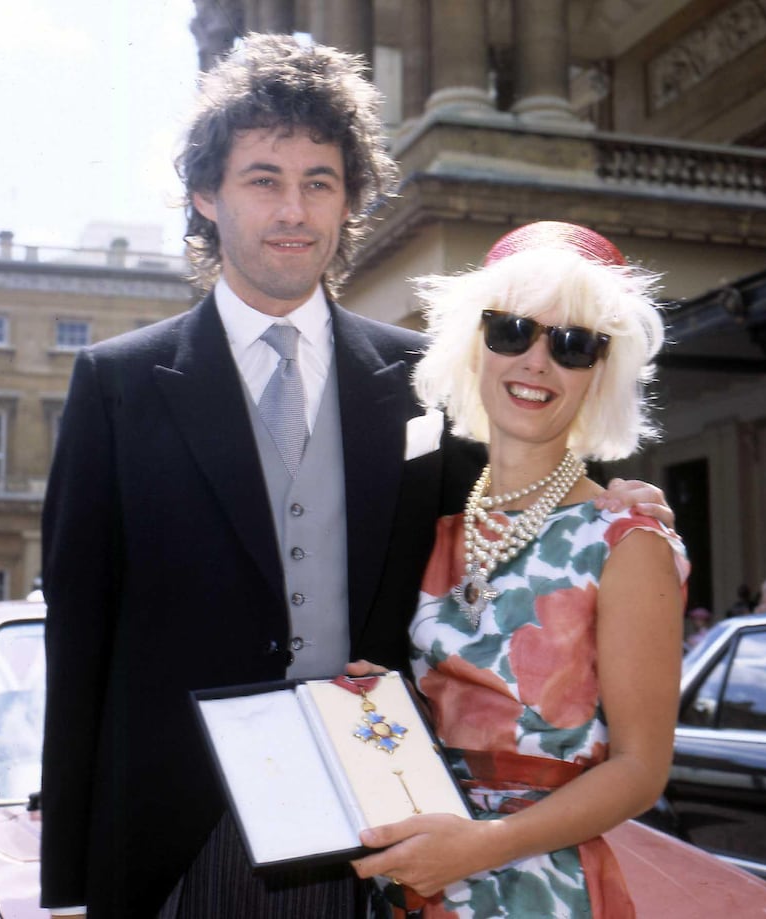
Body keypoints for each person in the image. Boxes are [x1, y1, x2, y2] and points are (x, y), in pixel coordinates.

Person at [40, 34, 674, 919]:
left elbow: (516, 492)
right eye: (264, 178)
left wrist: (624, 492)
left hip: (377, 823)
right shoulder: (117, 384)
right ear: (206, 196)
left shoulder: (425, 377)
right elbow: (78, 642)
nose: (292, 209)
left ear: (349, 203)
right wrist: (71, 883)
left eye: (320, 181)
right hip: (183, 827)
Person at [351, 221, 689, 918]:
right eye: (511, 331)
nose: (537, 362)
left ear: (601, 374)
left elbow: (640, 769)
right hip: (412, 880)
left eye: (572, 344)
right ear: (475, 347)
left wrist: (480, 845)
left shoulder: (627, 540)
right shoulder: (433, 522)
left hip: (538, 891)